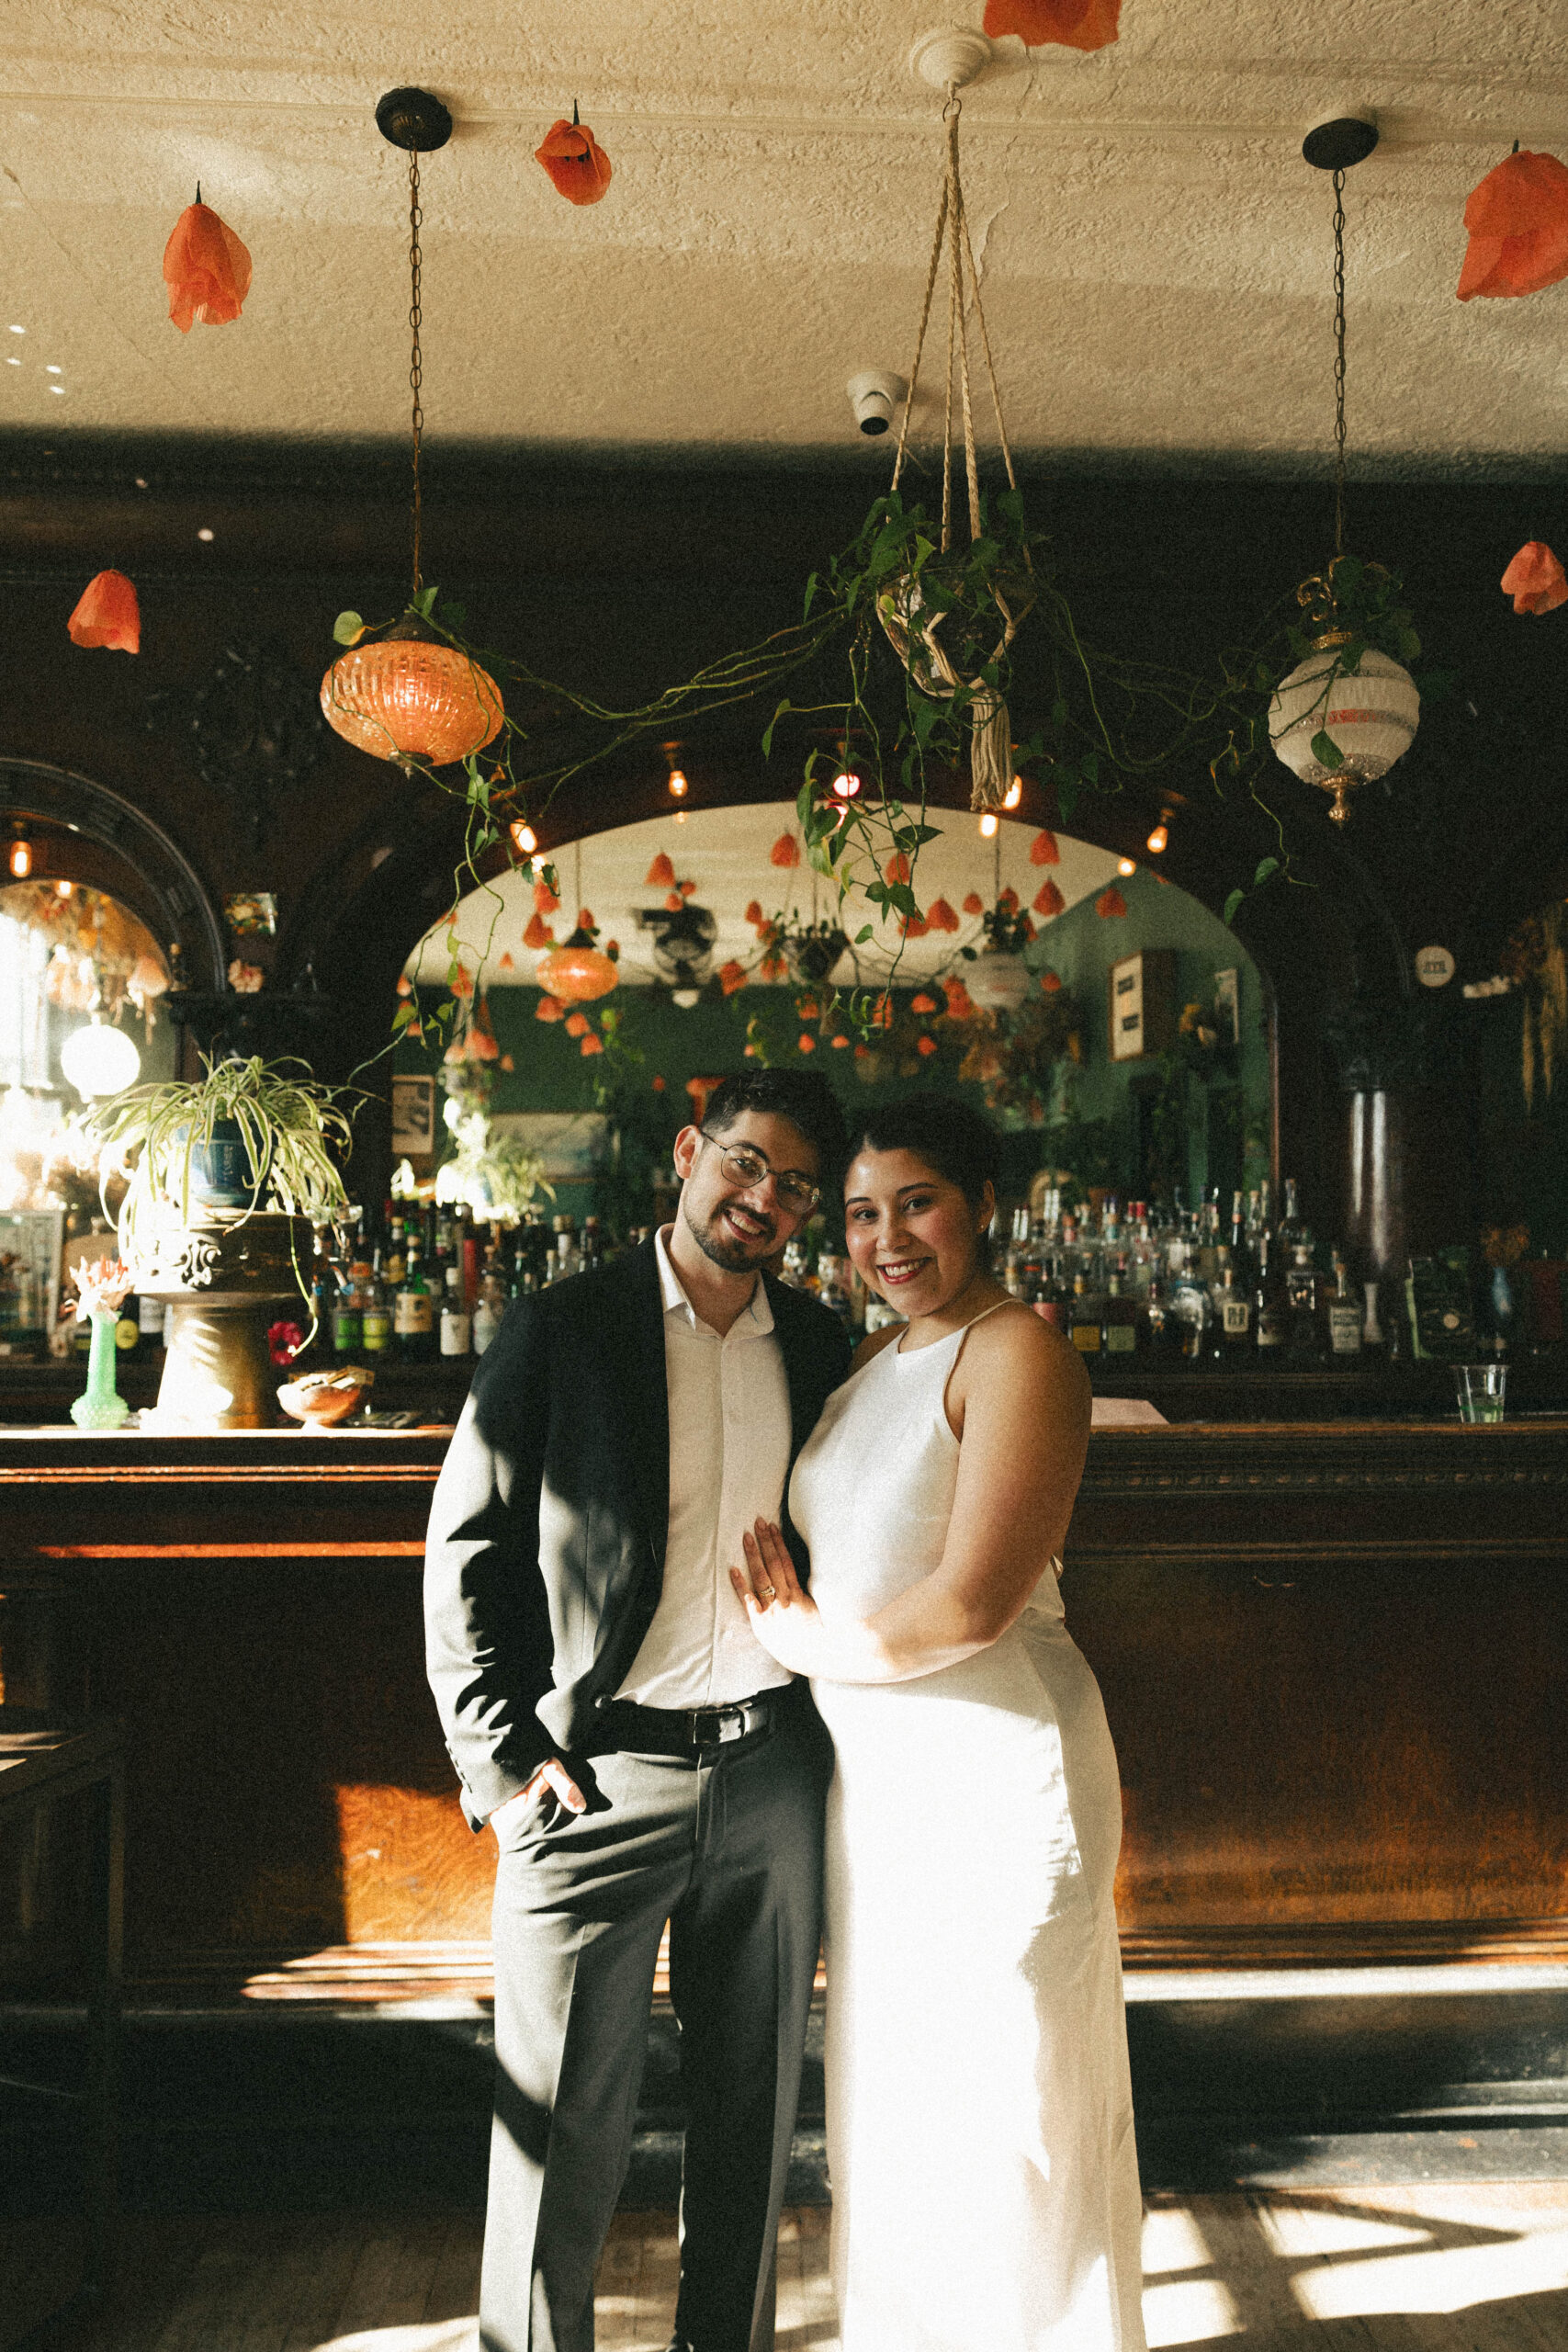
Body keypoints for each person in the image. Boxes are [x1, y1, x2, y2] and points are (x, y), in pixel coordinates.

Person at [423, 1067, 852, 2352]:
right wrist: (500, 1757)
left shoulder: (825, 1343)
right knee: (557, 2131)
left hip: (774, 1771)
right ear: (689, 1150)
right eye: (745, 1162)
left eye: (794, 1186)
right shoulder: (565, 1326)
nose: (762, 1198)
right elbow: (469, 1547)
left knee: (752, 2124)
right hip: (595, 1780)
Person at [731, 1093, 1147, 2352]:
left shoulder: (1018, 1350)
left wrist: (806, 1644)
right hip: (887, 1790)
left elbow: (972, 1601)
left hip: (995, 1764)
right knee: (906, 2106)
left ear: (985, 1208)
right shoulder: (871, 1360)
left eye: (916, 1202)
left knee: (1012, 2105)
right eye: (861, 1213)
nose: (887, 1237)